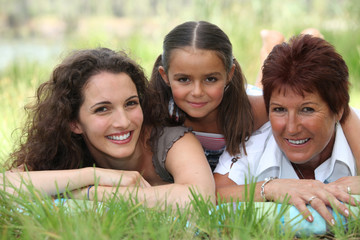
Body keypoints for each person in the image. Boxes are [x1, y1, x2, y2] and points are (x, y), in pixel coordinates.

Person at [1, 48, 215, 207]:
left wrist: (88, 193)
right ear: (74, 122)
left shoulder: (173, 142)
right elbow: (5, 186)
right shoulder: (66, 151)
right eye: (103, 109)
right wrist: (93, 176)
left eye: (131, 103)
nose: (123, 122)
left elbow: (201, 198)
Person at [214, 34, 359, 225]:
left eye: (307, 109)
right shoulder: (254, 143)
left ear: (338, 110)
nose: (291, 128)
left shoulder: (353, 126)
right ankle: (269, 45)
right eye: (279, 109)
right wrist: (271, 188)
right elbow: (210, 195)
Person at [149, 21, 268, 171]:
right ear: (165, 76)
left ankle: (269, 49)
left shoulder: (255, 110)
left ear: (229, 74)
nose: (197, 92)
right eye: (183, 79)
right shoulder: (158, 111)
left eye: (210, 79)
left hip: (242, 94)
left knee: (266, 85)